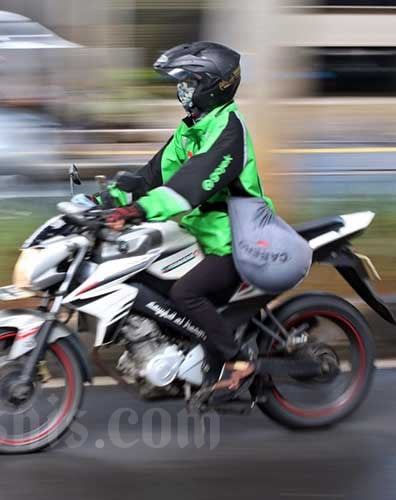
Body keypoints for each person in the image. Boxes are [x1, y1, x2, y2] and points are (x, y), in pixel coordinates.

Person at [101, 41, 274, 394]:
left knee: (186, 293)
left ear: (214, 85)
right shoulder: (192, 129)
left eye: (189, 83)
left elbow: (189, 185)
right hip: (203, 234)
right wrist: (106, 200)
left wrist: (138, 210)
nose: (182, 90)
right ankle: (176, 364)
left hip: (238, 238)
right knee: (149, 282)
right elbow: (153, 176)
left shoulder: (228, 131)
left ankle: (237, 360)